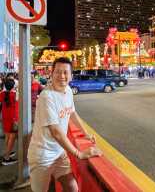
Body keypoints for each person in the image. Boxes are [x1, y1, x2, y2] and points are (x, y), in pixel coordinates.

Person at [28, 57, 102, 192]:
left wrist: (86, 134)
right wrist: (79, 154)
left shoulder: (68, 90)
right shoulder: (47, 97)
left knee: (72, 187)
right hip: (42, 156)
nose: (62, 76)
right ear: (52, 74)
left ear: (71, 76)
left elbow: (72, 113)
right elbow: (55, 131)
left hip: (59, 152)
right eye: (58, 72)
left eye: (65, 72)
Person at [0, 78, 18, 165]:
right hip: (13, 118)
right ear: (13, 86)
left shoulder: (2, 94)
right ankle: (6, 158)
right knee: (12, 137)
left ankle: (7, 152)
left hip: (4, 117)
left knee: (7, 135)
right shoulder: (14, 94)